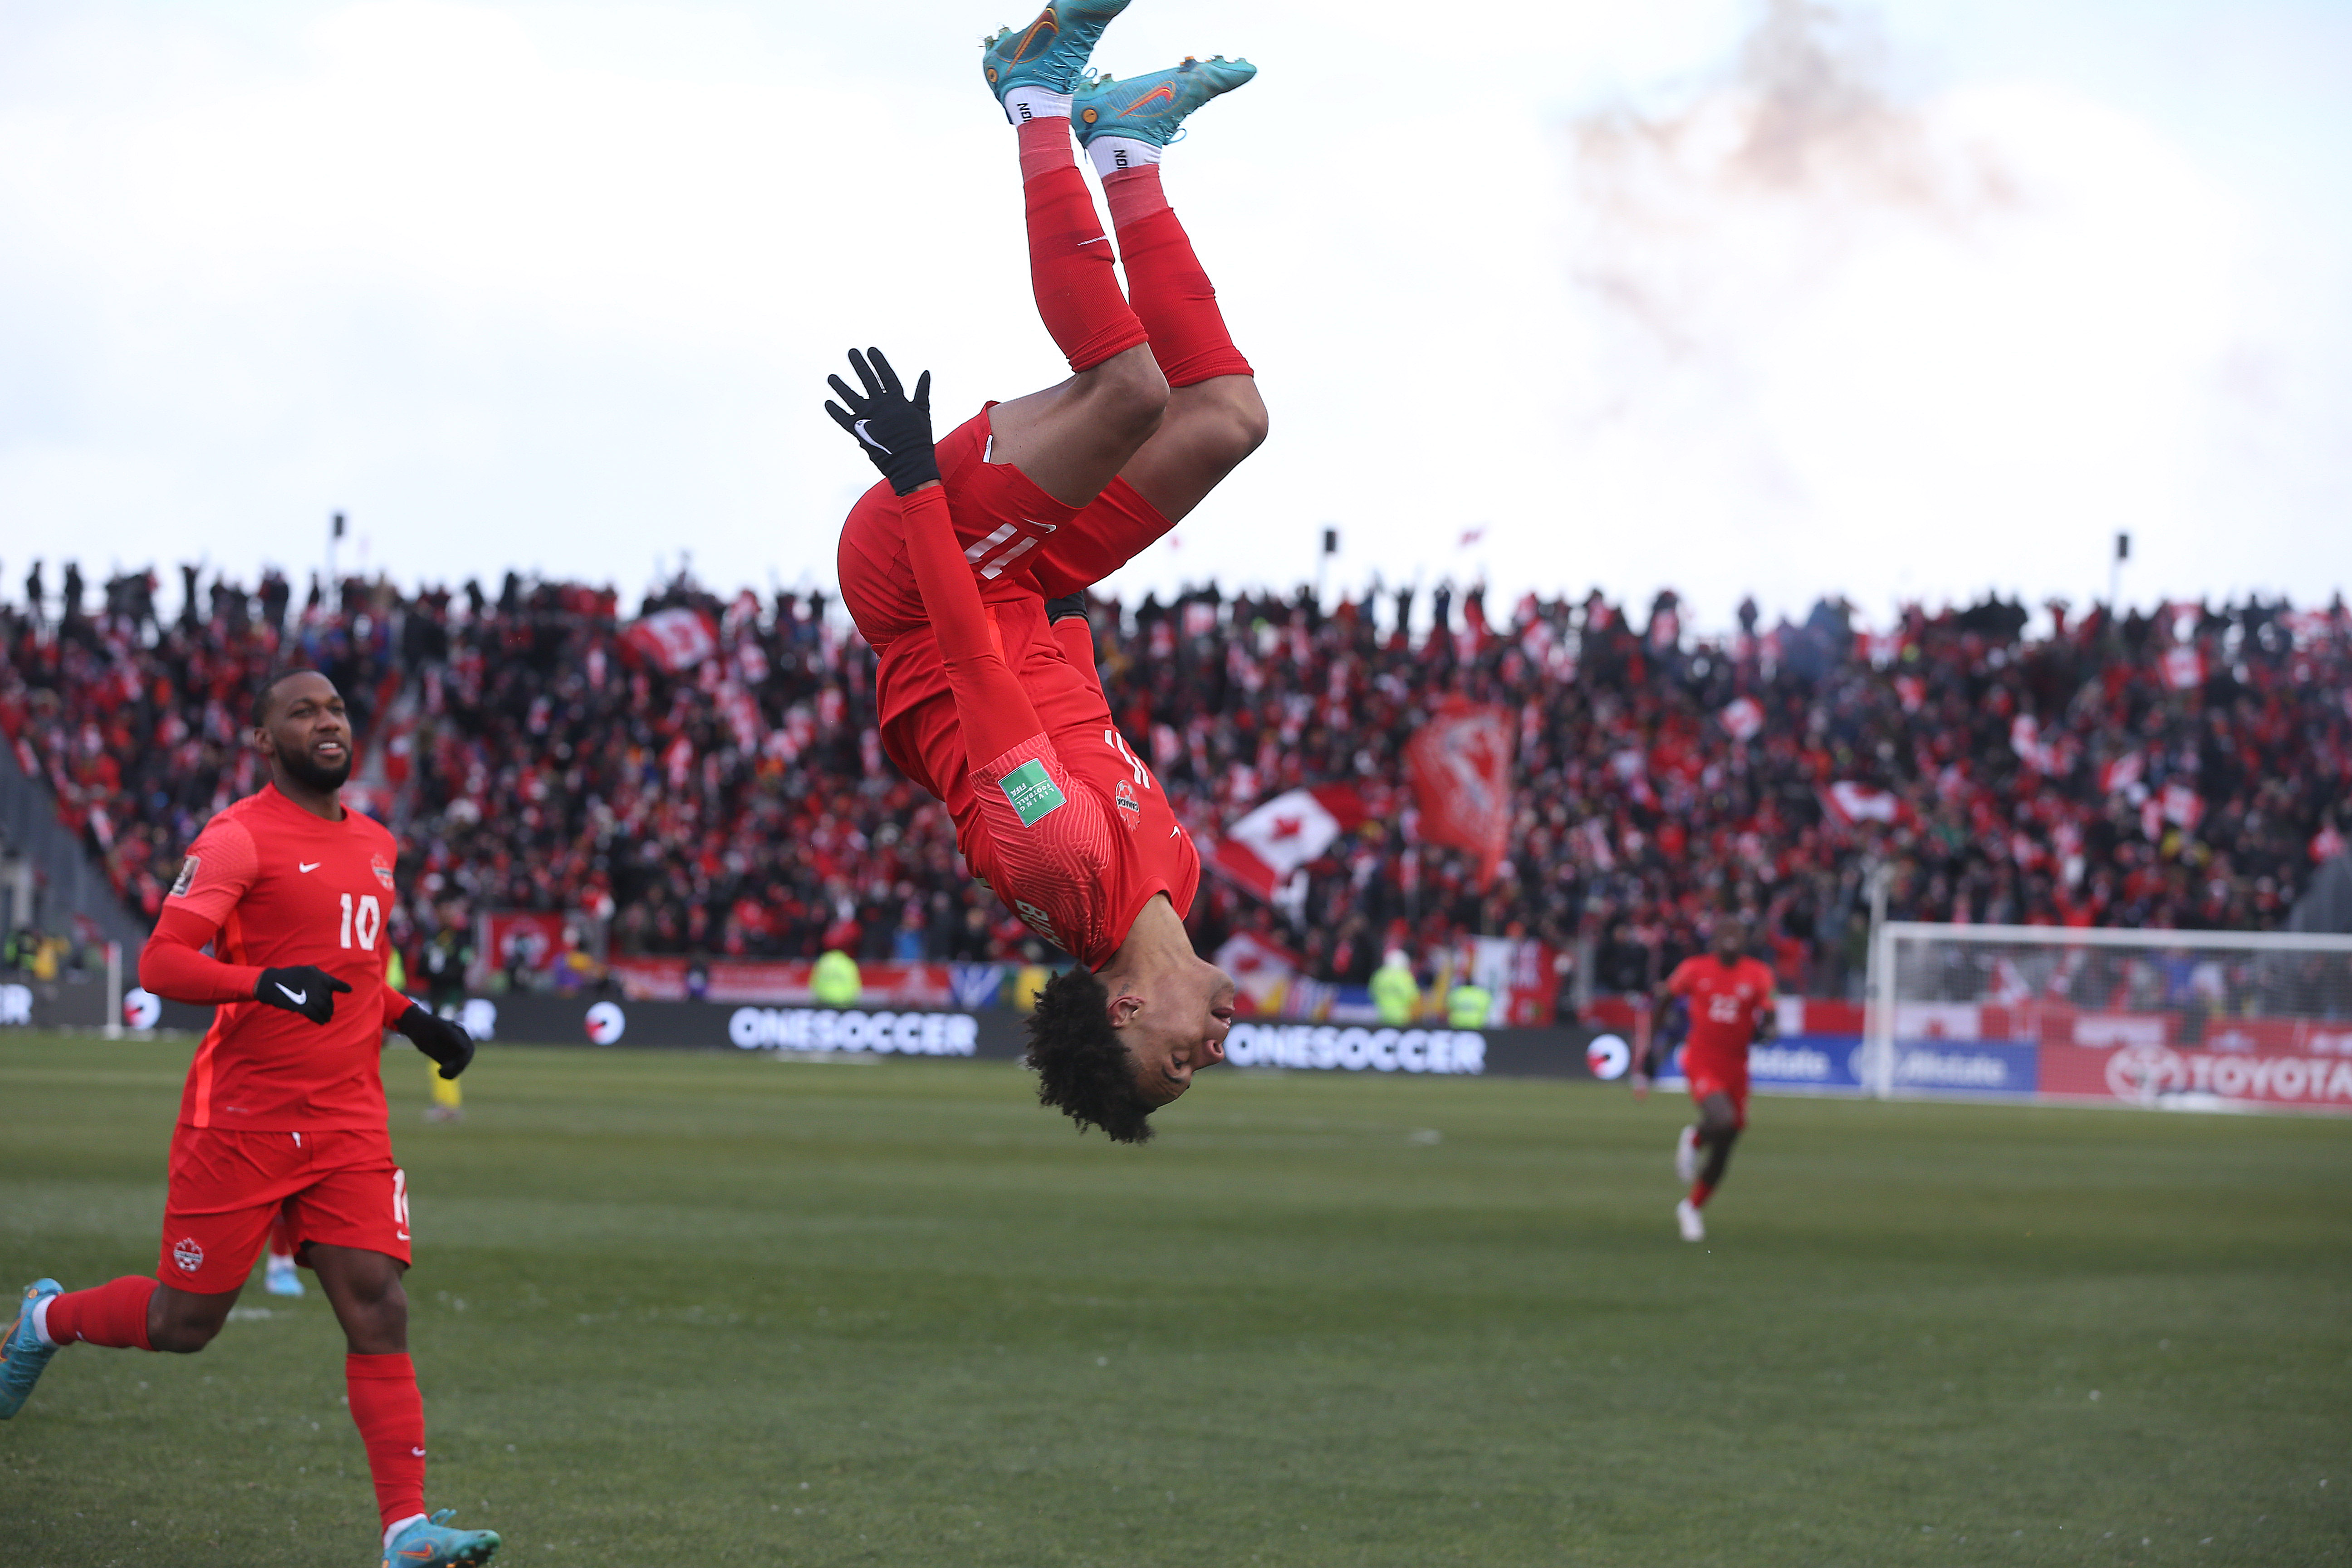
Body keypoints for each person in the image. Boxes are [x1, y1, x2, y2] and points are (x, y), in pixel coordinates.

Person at [829, 0, 1263, 1142]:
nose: (1206, 1048)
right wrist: (1066, 602)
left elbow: (976, 674)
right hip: (1019, 591)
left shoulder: (1058, 869)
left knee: (1126, 394)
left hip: (928, 581)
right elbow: (1075, 706)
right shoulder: (1178, 875)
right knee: (1224, 421)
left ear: (1122, 1007)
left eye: (1174, 1059)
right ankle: (1125, 147)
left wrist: (918, 484)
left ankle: (1032, 94)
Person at [0, 669, 500, 1568]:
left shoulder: (379, 845)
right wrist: (260, 983)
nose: (328, 722)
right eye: (302, 711)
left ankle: (407, 1531)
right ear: (266, 742)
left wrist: (415, 1019)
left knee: (379, 1307)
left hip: (349, 1119)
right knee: (184, 1324)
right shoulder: (236, 839)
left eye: (337, 709)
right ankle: (46, 1321)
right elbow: (161, 963)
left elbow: (348, 973)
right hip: (241, 1120)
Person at [1651, 917, 1777, 1242]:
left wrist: (1770, 1031)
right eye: (1725, 932)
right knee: (1721, 1119)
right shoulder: (1694, 969)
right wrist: (1654, 1043)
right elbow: (1665, 998)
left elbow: (1771, 1013)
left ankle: (1691, 1208)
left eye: (1738, 932)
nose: (1731, 938)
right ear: (1715, 939)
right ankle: (1693, 1138)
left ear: (1746, 940)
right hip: (1702, 1060)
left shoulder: (1759, 974)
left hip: (1737, 1068)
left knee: (1725, 1145)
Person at [1370, 950, 1420, 1026]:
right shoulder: (1404, 976)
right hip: (1400, 1016)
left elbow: (1373, 993)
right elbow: (1413, 996)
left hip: (1382, 1014)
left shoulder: (1379, 975)